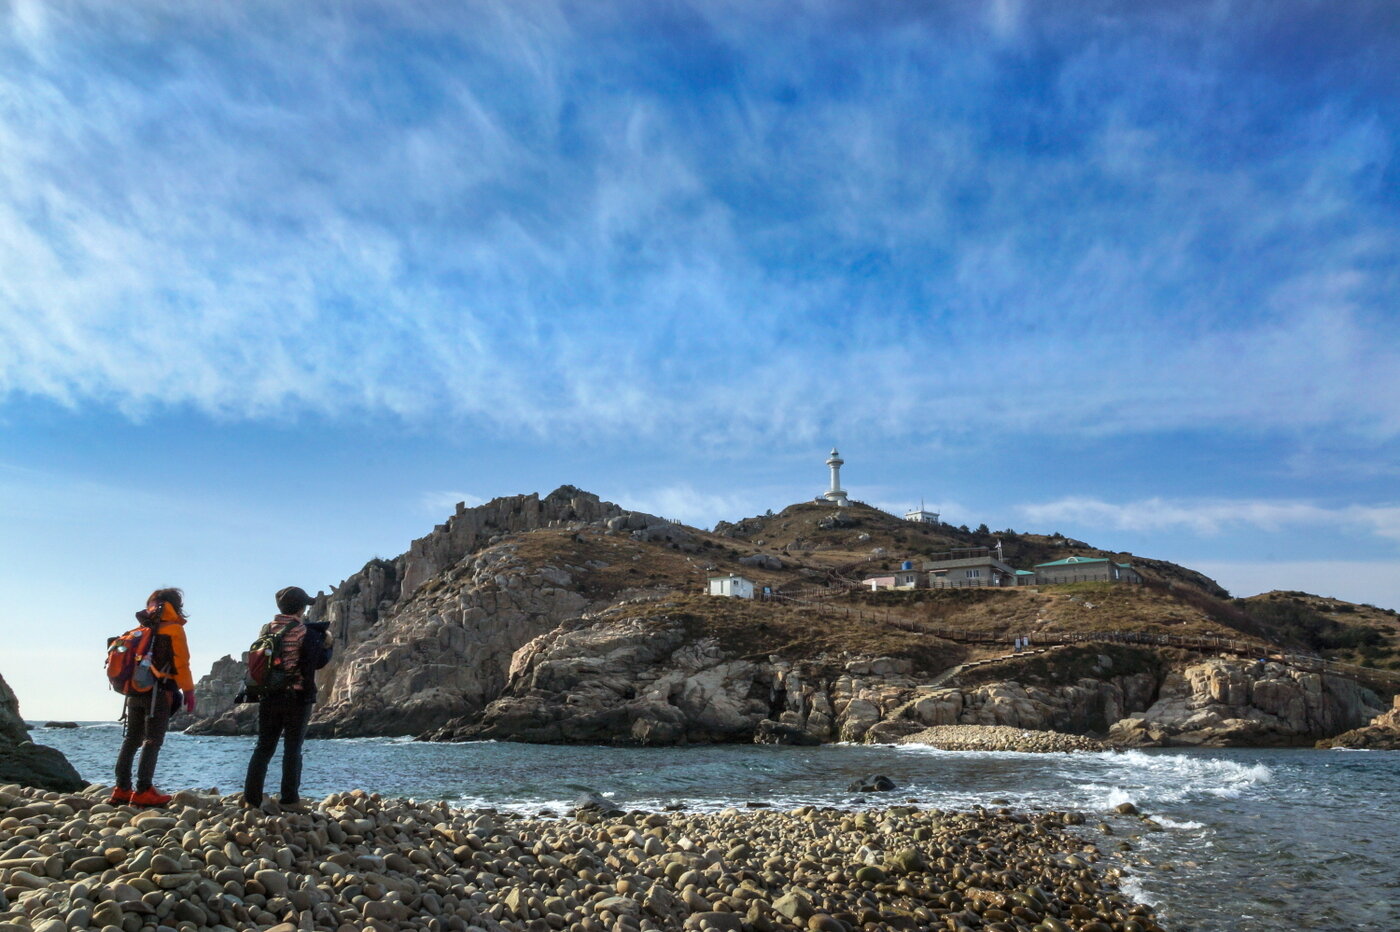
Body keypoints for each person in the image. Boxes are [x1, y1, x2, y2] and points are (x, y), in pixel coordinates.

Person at [243, 586, 332, 808]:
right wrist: (328, 645)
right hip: (297, 697)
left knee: (263, 747)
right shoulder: (306, 632)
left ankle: (251, 799)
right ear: (302, 608)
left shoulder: (266, 630)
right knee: (293, 749)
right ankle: (289, 799)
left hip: (268, 695)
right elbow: (317, 662)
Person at [112, 588, 196, 806]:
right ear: (176, 606)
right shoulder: (173, 629)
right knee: (152, 741)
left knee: (132, 739)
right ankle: (143, 790)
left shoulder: (140, 629)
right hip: (158, 693)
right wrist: (188, 691)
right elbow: (181, 663)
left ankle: (121, 788)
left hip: (133, 691)